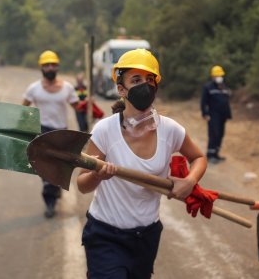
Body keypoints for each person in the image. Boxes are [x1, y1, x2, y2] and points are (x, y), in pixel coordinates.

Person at [76, 49, 208, 278]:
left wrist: (190, 181)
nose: (144, 85)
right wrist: (97, 175)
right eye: (136, 80)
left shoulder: (170, 129)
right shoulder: (104, 130)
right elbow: (82, 184)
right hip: (105, 235)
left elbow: (199, 158)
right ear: (121, 89)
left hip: (145, 237)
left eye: (150, 79)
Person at [22, 50, 79, 218]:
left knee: (59, 168)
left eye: (53, 64)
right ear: (41, 67)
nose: (50, 67)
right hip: (42, 133)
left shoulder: (68, 88)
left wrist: (87, 105)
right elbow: (23, 109)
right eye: (46, 65)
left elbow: (78, 107)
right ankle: (50, 202)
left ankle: (55, 188)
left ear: (58, 67)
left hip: (62, 134)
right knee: (46, 170)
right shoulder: (34, 88)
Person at [200, 65, 232, 164]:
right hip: (213, 115)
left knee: (220, 135)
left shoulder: (224, 87)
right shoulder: (208, 87)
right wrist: (205, 113)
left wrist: (228, 114)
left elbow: (226, 100)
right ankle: (210, 155)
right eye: (217, 75)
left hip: (223, 116)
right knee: (214, 134)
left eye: (220, 75)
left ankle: (216, 154)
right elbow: (203, 102)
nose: (219, 77)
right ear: (213, 76)